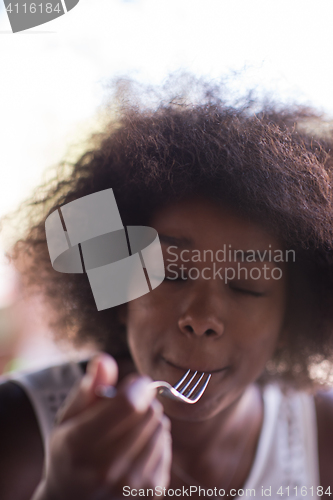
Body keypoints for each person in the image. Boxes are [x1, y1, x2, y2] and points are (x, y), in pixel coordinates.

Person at [1, 77, 333, 500]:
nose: (201, 318)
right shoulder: (17, 429)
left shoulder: (322, 441)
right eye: (170, 274)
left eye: (247, 286)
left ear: (291, 318)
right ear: (119, 292)